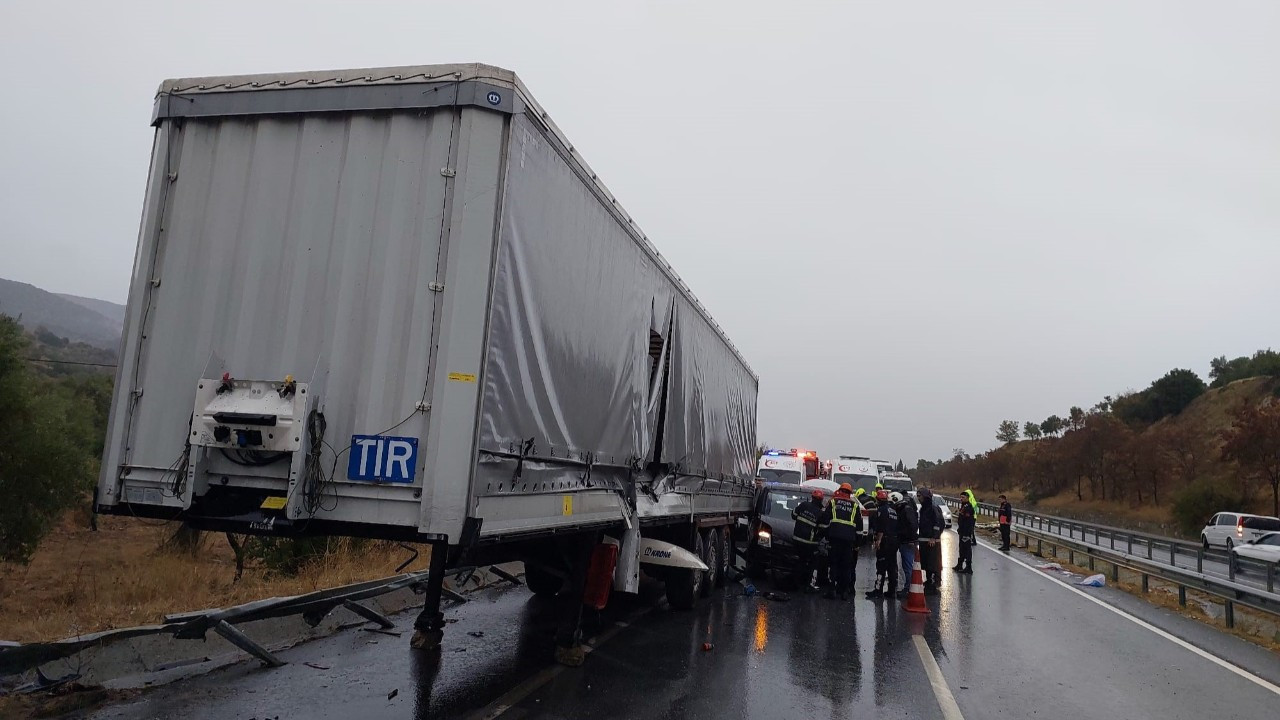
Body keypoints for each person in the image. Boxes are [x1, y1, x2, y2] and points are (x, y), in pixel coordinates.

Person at [824, 483, 863, 600]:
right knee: (846, 566)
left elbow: (826, 521)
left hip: (834, 538)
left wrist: (826, 536)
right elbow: (859, 528)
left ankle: (832, 590)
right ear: (850, 494)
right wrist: (857, 544)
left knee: (833, 564)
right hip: (849, 540)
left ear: (840, 490)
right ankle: (844, 592)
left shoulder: (833, 502)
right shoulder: (855, 506)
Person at [791, 489, 829, 591]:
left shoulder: (803, 505)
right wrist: (818, 538)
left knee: (800, 561)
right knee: (814, 562)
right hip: (810, 542)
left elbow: (793, 515)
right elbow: (823, 529)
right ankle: (810, 584)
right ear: (821, 500)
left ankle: (796, 583)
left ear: (812, 498)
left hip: (796, 539)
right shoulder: (820, 513)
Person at [866, 488, 900, 599]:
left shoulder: (881, 510)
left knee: (881, 566)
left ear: (878, 500)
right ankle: (891, 591)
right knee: (891, 566)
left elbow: (881, 526)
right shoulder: (893, 511)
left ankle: (878, 590)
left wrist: (878, 540)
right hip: (894, 541)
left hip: (885, 540)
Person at [916, 489, 945, 594]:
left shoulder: (933, 509)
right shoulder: (924, 509)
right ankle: (929, 581)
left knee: (933, 564)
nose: (919, 498)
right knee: (927, 563)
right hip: (924, 541)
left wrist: (934, 537)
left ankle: (933, 584)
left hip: (932, 542)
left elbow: (938, 524)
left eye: (920, 496)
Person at [893, 491, 918, 597]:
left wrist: (911, 539)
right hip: (905, 540)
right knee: (906, 565)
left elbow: (912, 525)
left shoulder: (906, 510)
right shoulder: (903, 509)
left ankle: (909, 589)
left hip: (908, 541)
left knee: (908, 566)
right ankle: (909, 588)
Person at [954, 489, 977, 573]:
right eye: (960, 497)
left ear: (967, 498)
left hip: (966, 532)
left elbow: (968, 522)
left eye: (963, 497)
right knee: (962, 548)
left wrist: (967, 533)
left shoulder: (968, 508)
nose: (961, 499)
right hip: (962, 531)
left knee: (967, 549)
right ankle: (959, 565)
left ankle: (968, 567)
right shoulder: (963, 506)